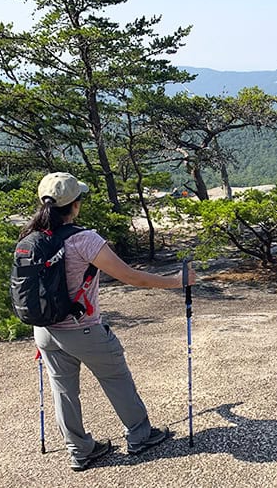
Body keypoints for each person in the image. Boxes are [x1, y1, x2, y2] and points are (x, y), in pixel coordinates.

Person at [23, 172, 196, 471]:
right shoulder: (84, 240)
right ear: (75, 205)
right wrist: (177, 281)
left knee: (63, 391)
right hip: (84, 330)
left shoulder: (31, 238)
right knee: (116, 378)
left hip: (45, 331)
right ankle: (140, 435)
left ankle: (80, 451)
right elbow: (130, 276)